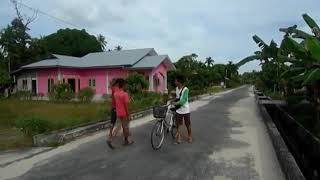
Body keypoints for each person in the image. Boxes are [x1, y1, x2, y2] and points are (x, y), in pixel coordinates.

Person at [114, 79, 133, 146]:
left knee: (120, 126)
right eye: (126, 85)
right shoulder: (125, 94)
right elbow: (126, 106)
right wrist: (128, 114)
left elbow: (118, 103)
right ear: (123, 86)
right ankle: (126, 141)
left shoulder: (115, 94)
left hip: (118, 113)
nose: (126, 86)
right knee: (126, 127)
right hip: (124, 113)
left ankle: (111, 139)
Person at [174, 74, 192, 144]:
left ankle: (190, 136)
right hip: (179, 110)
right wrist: (173, 100)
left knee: (188, 124)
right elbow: (178, 97)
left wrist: (176, 103)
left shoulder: (186, 89)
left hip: (185, 110)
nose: (174, 82)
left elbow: (184, 100)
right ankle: (179, 137)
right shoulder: (176, 88)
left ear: (179, 81)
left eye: (175, 81)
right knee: (178, 125)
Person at [107, 79, 121, 149]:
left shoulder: (113, 89)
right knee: (119, 125)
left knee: (112, 123)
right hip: (117, 109)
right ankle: (110, 140)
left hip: (113, 108)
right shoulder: (117, 90)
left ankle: (110, 136)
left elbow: (110, 86)